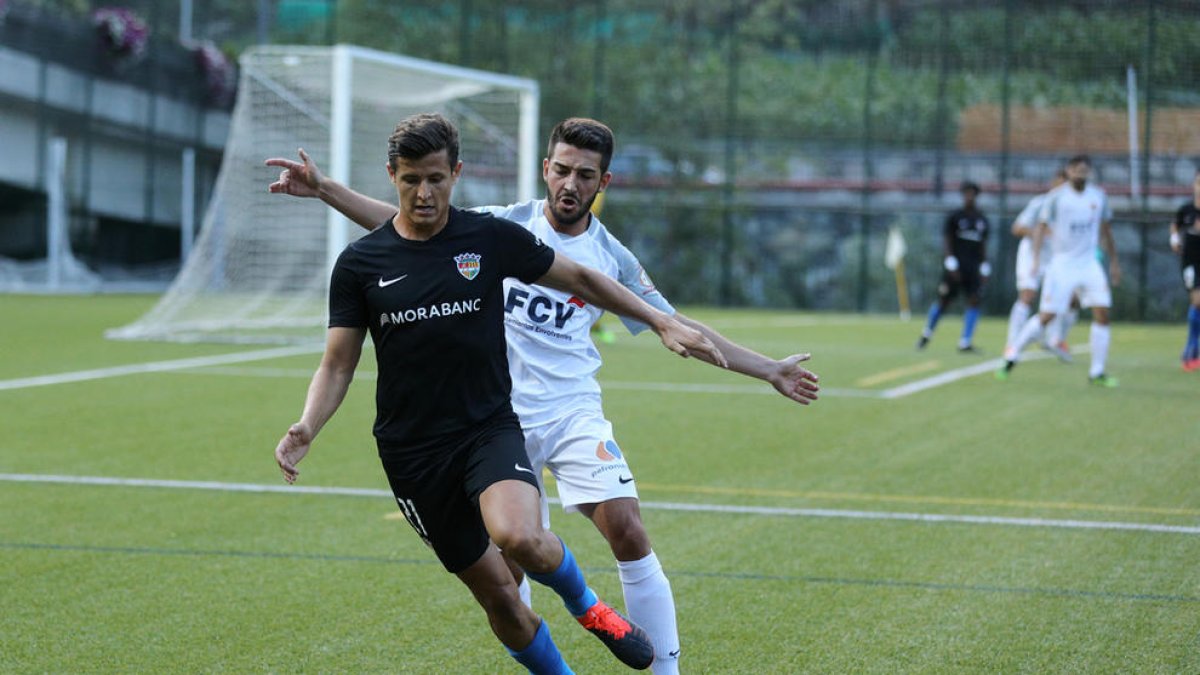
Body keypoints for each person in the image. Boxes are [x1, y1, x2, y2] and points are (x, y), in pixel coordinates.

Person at [267, 117, 821, 675]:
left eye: (585, 175)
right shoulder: (502, 222)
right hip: (476, 417)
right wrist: (326, 190)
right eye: (562, 170)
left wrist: (766, 368)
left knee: (622, 526)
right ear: (545, 169)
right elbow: (405, 226)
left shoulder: (608, 257)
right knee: (507, 575)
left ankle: (655, 662)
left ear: (603, 182)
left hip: (553, 413)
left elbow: (672, 322)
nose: (570, 184)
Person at [998, 155, 1121, 386]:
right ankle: (1013, 352)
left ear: (1089, 172)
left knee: (1102, 312)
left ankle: (1096, 371)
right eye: (1076, 169)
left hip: (1088, 264)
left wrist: (1114, 262)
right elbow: (1039, 227)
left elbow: (1106, 230)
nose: (1080, 174)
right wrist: (1035, 260)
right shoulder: (1055, 198)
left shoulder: (1098, 197)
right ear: (1069, 171)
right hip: (1062, 264)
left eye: (1084, 170)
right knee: (1047, 314)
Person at [1004, 169, 1074, 362]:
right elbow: (1017, 228)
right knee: (1028, 295)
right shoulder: (1040, 203)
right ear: (1054, 183)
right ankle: (1012, 343)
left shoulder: (1072, 209)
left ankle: (1056, 340)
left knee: (1070, 299)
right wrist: (1040, 233)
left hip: (1055, 259)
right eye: (1061, 183)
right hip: (1031, 256)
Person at [916, 180, 991, 353]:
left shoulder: (982, 219)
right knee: (944, 301)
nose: (969, 197)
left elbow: (983, 244)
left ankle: (965, 341)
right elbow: (947, 239)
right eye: (967, 193)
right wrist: (950, 261)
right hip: (956, 266)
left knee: (974, 300)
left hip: (973, 267)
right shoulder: (955, 216)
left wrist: (985, 265)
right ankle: (926, 334)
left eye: (972, 193)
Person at [1170, 168, 1200, 371]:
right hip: (1191, 262)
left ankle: (1191, 350)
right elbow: (1175, 225)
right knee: (1197, 300)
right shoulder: (1186, 209)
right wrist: (1174, 239)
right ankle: (1192, 347)